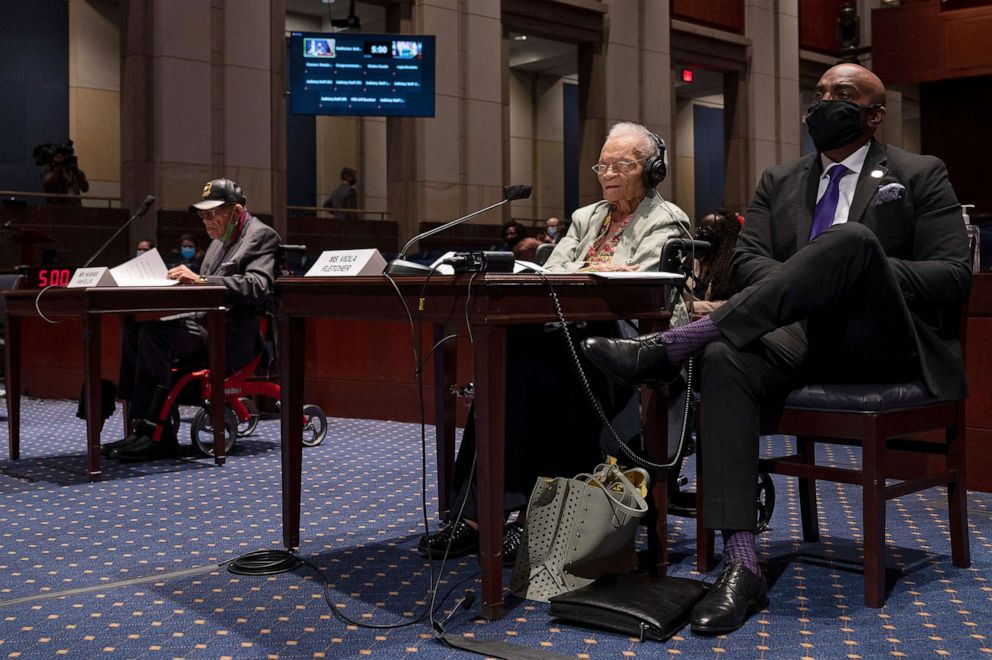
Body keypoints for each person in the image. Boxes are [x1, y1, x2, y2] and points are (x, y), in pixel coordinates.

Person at [580, 64, 971, 635]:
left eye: (843, 96)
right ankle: (742, 562)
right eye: (818, 95)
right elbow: (745, 264)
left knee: (851, 242)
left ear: (876, 114)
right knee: (723, 359)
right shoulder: (779, 179)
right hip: (795, 338)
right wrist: (806, 283)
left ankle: (671, 346)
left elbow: (952, 276)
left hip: (882, 343)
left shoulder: (919, 173)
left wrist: (852, 269)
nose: (824, 104)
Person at [417, 121, 691, 562]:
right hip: (569, 328)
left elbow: (647, 288)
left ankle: (520, 515)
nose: (608, 174)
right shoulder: (586, 217)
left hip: (629, 336)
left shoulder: (667, 219)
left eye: (621, 164)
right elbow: (552, 272)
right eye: (602, 165)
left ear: (651, 169)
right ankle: (481, 515)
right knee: (508, 355)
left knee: (539, 360)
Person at [103, 178, 281, 461]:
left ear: (235, 212)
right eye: (203, 215)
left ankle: (156, 435)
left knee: (154, 336)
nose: (205, 221)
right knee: (136, 328)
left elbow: (257, 287)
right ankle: (142, 427)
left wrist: (198, 279)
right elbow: (202, 288)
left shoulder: (261, 236)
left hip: (232, 335)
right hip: (204, 324)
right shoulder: (216, 243)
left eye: (212, 214)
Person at [685, 209, 741, 315]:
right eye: (700, 231)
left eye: (707, 233)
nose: (700, 237)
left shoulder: (731, 268)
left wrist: (691, 306)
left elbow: (732, 304)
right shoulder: (691, 262)